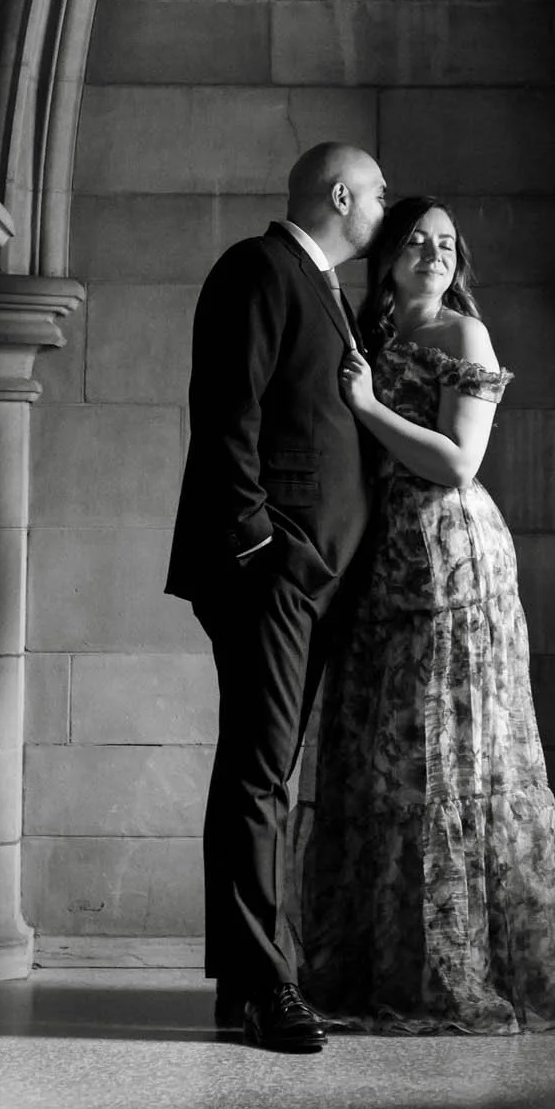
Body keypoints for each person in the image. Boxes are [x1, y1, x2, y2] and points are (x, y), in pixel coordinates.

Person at [299, 194, 555, 1033]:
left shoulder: (464, 335)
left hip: (447, 558)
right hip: (378, 563)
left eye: (446, 244)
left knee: (440, 762)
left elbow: (459, 462)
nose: (434, 255)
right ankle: (371, 966)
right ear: (388, 256)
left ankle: (446, 975)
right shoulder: (370, 332)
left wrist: (368, 407)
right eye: (418, 242)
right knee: (383, 764)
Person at [165, 141, 388, 1053]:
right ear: (339, 195)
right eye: (376, 195)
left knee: (266, 771)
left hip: (312, 570)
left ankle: (245, 978)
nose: (383, 209)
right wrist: (262, 546)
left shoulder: (324, 286)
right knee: (260, 775)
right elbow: (229, 411)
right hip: (273, 569)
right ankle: (266, 988)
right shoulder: (258, 267)